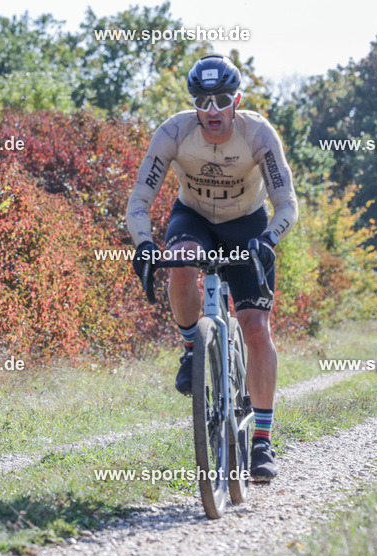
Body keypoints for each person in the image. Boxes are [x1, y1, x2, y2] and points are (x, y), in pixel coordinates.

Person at [125, 54, 299, 482]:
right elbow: (139, 202)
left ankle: (261, 440)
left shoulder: (257, 132)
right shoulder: (175, 131)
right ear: (194, 103)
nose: (213, 110)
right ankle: (191, 347)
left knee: (256, 326)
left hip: (248, 224)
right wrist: (145, 245)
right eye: (203, 101)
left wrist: (268, 241)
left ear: (236, 100)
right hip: (195, 217)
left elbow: (287, 204)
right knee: (180, 261)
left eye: (222, 99)